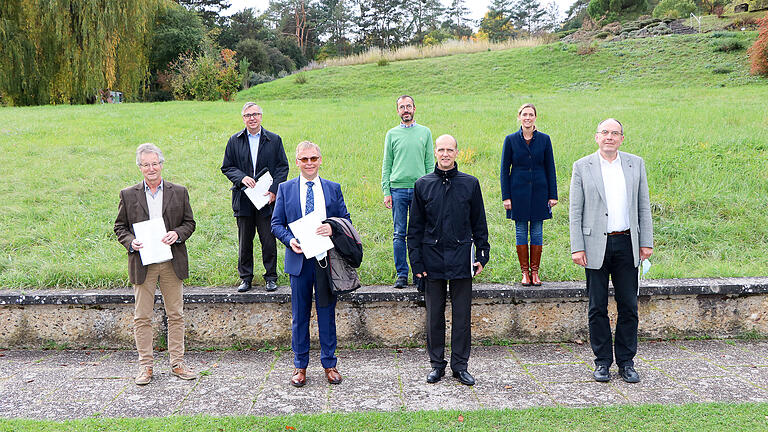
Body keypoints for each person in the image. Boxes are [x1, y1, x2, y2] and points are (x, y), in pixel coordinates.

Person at [569, 118, 653, 384]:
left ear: (622, 138)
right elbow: (575, 211)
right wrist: (577, 246)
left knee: (629, 305)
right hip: (595, 245)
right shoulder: (582, 166)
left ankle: (626, 362)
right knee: (597, 306)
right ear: (596, 137)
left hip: (627, 243)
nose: (609, 137)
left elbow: (643, 206)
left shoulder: (635, 163)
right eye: (604, 132)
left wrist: (646, 241)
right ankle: (602, 361)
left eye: (614, 133)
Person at [408, 134, 490, 386]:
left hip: (461, 258)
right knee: (434, 316)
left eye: (449, 150)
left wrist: (482, 255)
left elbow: (479, 223)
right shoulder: (422, 185)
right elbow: (414, 229)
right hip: (431, 259)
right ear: (435, 152)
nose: (445, 154)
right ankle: (436, 365)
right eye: (441, 149)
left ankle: (460, 366)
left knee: (462, 316)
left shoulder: (470, 184)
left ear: (457, 153)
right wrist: (417, 264)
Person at [114, 143, 197, 386]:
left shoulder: (179, 191)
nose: (151, 168)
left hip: (172, 261)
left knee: (176, 314)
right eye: (145, 164)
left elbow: (189, 223)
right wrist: (131, 242)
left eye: (155, 163)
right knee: (142, 316)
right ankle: (146, 367)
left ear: (161, 164)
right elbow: (120, 227)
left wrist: (177, 234)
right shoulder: (128, 194)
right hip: (143, 263)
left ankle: (177, 363)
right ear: (139, 167)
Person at [271, 141, 351, 387]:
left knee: (327, 314)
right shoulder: (285, 189)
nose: (309, 163)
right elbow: (276, 224)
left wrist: (332, 227)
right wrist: (290, 240)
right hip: (299, 260)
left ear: (320, 159)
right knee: (299, 315)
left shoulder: (332, 188)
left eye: (313, 158)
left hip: (325, 260)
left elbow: (345, 219)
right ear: (297, 161)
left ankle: (329, 363)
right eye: (304, 159)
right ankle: (300, 366)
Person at [222, 102, 290, 293]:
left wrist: (274, 191)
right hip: (243, 200)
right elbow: (227, 167)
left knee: (268, 239)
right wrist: (241, 178)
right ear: (243, 118)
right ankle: (245, 278)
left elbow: (282, 167)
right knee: (245, 240)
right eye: (248, 115)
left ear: (261, 116)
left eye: (255, 114)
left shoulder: (274, 140)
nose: (252, 118)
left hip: (266, 199)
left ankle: (271, 277)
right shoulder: (234, 141)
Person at [500, 103, 558, 287]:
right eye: (524, 114)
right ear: (519, 117)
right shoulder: (510, 140)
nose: (527, 117)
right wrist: (506, 196)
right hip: (518, 193)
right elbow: (504, 170)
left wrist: (553, 194)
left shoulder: (544, 139)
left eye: (531, 114)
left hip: (540, 192)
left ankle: (535, 272)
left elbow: (550, 168)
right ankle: (524, 272)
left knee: (537, 231)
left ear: (535, 117)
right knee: (520, 231)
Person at [381, 95, 434, 289]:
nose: (406, 110)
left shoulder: (425, 132)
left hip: (421, 190)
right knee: (399, 233)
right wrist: (386, 190)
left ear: (414, 109)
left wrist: (432, 189)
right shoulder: (392, 134)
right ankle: (402, 274)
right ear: (397, 111)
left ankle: (420, 273)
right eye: (402, 107)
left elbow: (429, 162)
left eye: (409, 106)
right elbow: (387, 164)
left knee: (420, 233)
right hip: (398, 190)